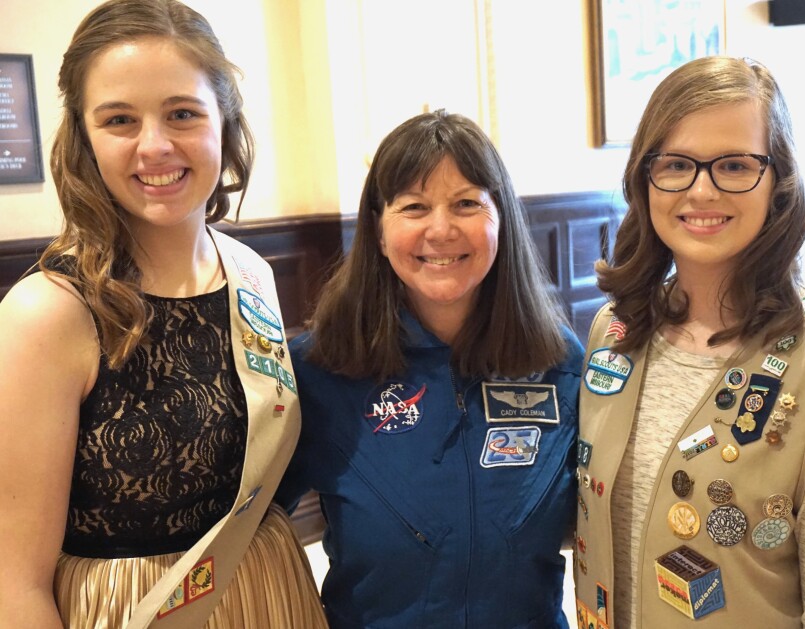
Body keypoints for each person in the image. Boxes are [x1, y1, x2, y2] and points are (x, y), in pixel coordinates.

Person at [0, 1, 328, 627]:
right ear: (84, 138)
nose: (154, 146)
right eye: (120, 119)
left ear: (225, 124)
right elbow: (13, 586)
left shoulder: (251, 274)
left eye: (182, 113)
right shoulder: (48, 314)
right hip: (130, 608)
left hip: (272, 588)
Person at [574, 56, 805, 628]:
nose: (702, 190)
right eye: (677, 164)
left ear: (779, 182)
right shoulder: (613, 332)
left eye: (736, 165)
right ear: (646, 179)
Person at [276, 109, 585, 628]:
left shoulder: (560, 364)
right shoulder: (318, 371)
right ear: (378, 232)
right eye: (414, 207)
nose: (440, 230)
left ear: (502, 220)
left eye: (466, 203)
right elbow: (252, 530)